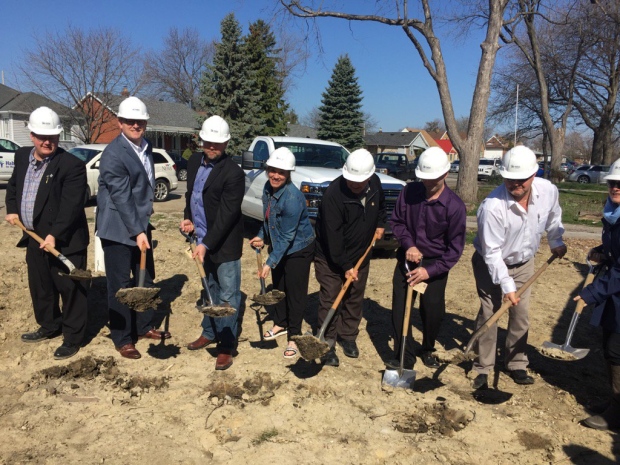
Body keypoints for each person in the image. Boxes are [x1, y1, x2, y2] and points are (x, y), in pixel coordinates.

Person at [471, 145, 567, 389]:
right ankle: (483, 366)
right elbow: (492, 253)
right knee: (490, 313)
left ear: (534, 175)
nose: (515, 184)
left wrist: (556, 240)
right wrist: (507, 286)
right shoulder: (492, 207)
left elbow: (554, 217)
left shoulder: (547, 191)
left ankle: (515, 363)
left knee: (520, 315)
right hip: (489, 263)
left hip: (525, 262)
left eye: (521, 179)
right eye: (510, 179)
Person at [5, 106, 89, 360]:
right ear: (31, 135)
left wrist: (55, 234)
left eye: (51, 136)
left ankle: (73, 337)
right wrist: (11, 210)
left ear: (58, 136)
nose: (47, 141)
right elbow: (13, 186)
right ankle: (50, 325)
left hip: (64, 240)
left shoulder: (71, 165)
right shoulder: (21, 157)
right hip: (32, 236)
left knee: (70, 288)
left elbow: (71, 206)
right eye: (41, 136)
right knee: (41, 286)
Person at [96, 96, 171, 360]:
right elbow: (121, 197)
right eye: (130, 120)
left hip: (139, 224)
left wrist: (143, 227)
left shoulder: (146, 147)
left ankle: (143, 326)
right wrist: (138, 232)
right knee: (120, 285)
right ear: (120, 122)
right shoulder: (114, 154)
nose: (135, 125)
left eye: (139, 121)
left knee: (145, 277)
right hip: (117, 227)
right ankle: (122, 337)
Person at [389, 147, 466, 370]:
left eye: (432, 179)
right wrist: (409, 244)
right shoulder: (409, 192)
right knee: (400, 307)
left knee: (432, 310)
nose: (427, 183)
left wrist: (429, 271)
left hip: (435, 264)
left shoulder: (454, 207)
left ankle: (428, 347)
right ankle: (404, 354)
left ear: (444, 175)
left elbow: (454, 250)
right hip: (407, 259)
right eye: (423, 178)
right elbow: (397, 222)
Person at [181, 115, 245, 371]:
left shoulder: (234, 174)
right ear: (202, 140)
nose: (212, 147)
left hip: (224, 243)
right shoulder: (195, 161)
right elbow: (191, 195)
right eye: (209, 142)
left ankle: (226, 345)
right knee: (209, 289)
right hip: (201, 240)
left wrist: (206, 243)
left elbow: (227, 215)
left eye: (218, 143)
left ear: (227, 143)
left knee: (227, 296)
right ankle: (209, 331)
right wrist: (188, 219)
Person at [314, 148, 385, 367]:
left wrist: (381, 224)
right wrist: (345, 266)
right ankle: (326, 343)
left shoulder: (375, 184)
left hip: (360, 255)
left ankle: (348, 337)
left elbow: (381, 206)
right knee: (331, 296)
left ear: (369, 176)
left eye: (359, 182)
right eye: (351, 181)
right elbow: (332, 237)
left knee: (354, 296)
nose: (354, 185)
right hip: (330, 256)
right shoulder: (333, 195)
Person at [249, 148, 315, 359]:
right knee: (279, 288)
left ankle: (294, 336)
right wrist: (261, 235)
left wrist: (269, 262)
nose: (275, 175)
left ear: (289, 174)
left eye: (281, 172)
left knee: (295, 293)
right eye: (273, 170)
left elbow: (288, 236)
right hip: (280, 244)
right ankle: (281, 324)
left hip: (299, 248)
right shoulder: (268, 188)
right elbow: (269, 218)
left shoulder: (293, 199)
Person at [574, 159, 620, 430]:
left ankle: (617, 412)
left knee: (617, 350)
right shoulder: (613, 212)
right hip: (615, 293)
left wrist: (592, 292)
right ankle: (615, 402)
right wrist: (603, 250)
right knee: (610, 346)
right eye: (613, 183)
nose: (616, 187)